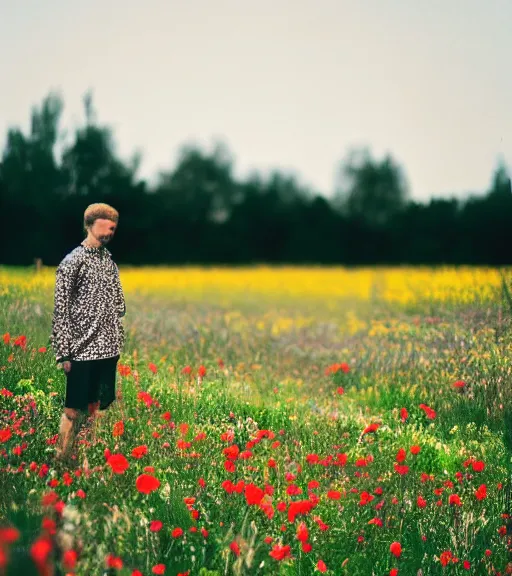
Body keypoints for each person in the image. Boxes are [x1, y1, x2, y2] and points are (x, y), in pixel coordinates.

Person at [50, 203, 126, 464]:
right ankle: (61, 460)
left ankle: (86, 462)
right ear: (91, 224)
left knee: (97, 409)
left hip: (108, 350)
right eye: (108, 227)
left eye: (114, 228)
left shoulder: (109, 261)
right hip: (81, 350)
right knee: (73, 410)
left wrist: (115, 334)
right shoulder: (72, 261)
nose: (111, 232)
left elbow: (119, 304)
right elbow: (60, 310)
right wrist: (64, 352)